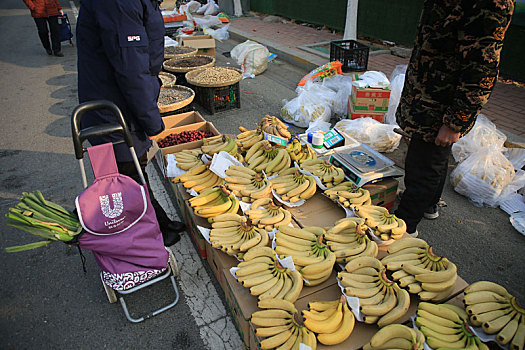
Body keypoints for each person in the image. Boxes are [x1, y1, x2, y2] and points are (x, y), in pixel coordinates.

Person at [395, 0, 515, 237]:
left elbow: (482, 68)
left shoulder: (489, 4)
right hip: (426, 97)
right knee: (433, 158)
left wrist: (455, 122)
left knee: (423, 166)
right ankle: (428, 204)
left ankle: (404, 227)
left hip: (439, 105)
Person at [76, 0, 185, 246]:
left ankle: (158, 221)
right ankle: (145, 234)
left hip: (123, 101)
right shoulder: (119, 3)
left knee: (136, 168)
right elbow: (131, 68)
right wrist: (151, 121)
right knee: (123, 172)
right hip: (114, 107)